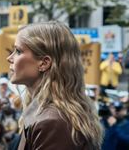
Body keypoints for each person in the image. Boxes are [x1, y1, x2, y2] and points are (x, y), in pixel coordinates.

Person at [7, 21, 103, 149]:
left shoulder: (52, 122)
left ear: (44, 63)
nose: (10, 58)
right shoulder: (44, 113)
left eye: (18, 51)